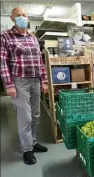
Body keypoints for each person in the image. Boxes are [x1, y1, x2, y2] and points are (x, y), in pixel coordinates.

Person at [0, 7, 49, 165]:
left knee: (35, 115)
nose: (22, 17)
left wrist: (45, 81)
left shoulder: (33, 38)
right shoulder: (5, 36)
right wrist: (9, 85)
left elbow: (40, 62)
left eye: (25, 15)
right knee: (25, 117)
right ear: (12, 19)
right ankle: (26, 149)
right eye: (18, 15)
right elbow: (2, 63)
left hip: (35, 80)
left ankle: (33, 142)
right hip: (19, 81)